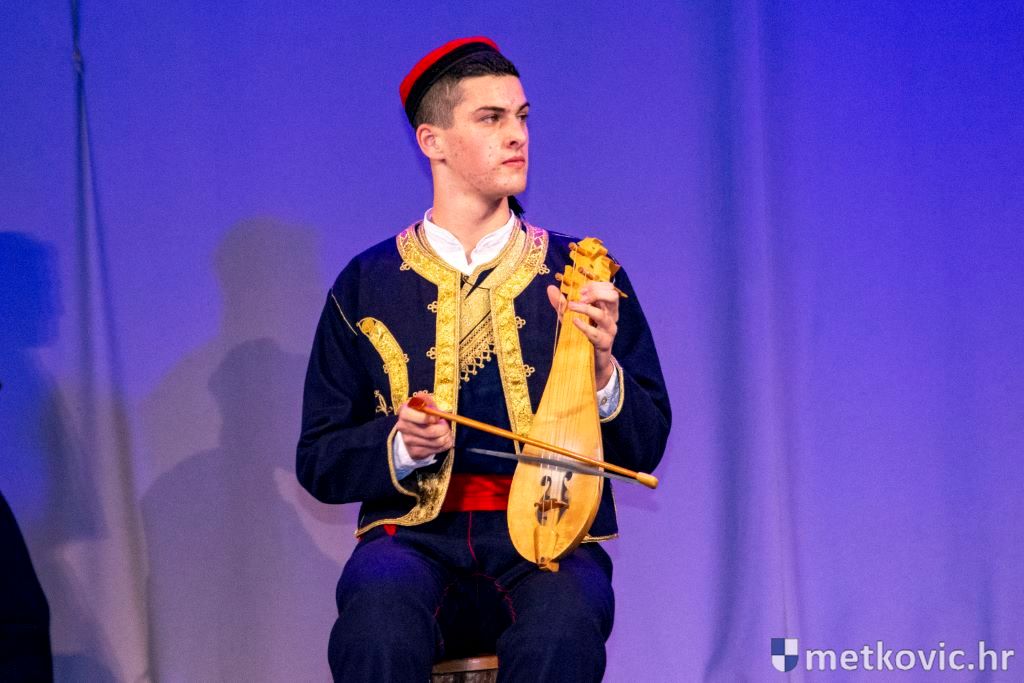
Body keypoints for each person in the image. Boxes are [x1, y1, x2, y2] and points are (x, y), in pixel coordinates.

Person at [297, 36, 671, 682]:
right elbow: (319, 457)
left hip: (551, 539)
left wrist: (604, 372)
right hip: (411, 541)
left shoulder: (586, 273)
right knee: (374, 625)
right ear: (432, 141)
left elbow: (647, 443)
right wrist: (401, 446)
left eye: (521, 117)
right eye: (491, 118)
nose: (517, 135)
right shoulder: (364, 284)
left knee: (561, 629)